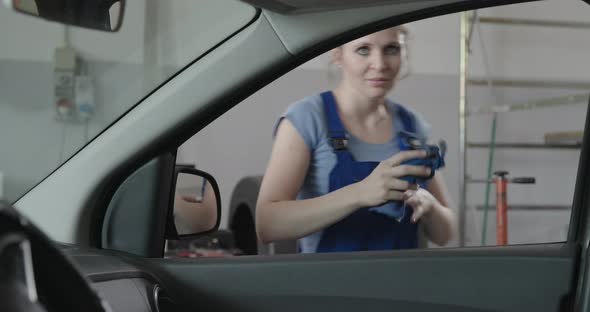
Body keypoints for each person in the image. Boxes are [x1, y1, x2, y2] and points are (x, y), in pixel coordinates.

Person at [255, 26, 456, 253]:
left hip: (401, 285)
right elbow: (267, 224)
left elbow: (445, 234)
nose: (380, 64)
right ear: (337, 54)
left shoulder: (412, 126)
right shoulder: (307, 118)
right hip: (328, 286)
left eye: (391, 49)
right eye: (363, 49)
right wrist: (359, 193)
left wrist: (429, 206)